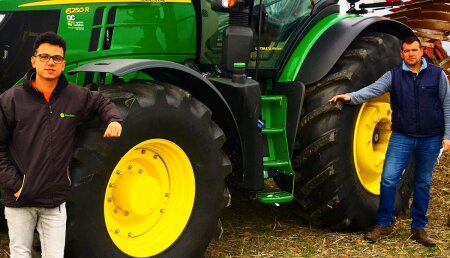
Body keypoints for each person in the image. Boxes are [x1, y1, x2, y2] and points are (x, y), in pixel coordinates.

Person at [0, 32, 123, 257]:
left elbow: (101, 101)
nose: (50, 62)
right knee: (20, 252)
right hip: (20, 199)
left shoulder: (75, 96)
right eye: (45, 56)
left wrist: (114, 119)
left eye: (56, 58)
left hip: (54, 200)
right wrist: (17, 185)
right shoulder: (11, 99)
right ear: (33, 60)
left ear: (63, 64)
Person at [329, 36, 450, 247]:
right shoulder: (394, 76)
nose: (411, 54)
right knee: (388, 179)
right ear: (402, 54)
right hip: (402, 137)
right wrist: (350, 96)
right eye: (407, 51)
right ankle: (384, 224)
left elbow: (447, 105)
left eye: (414, 50)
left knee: (423, 183)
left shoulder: (437, 75)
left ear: (421, 52)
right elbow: (373, 90)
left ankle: (418, 228)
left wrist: (447, 136)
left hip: (430, 139)